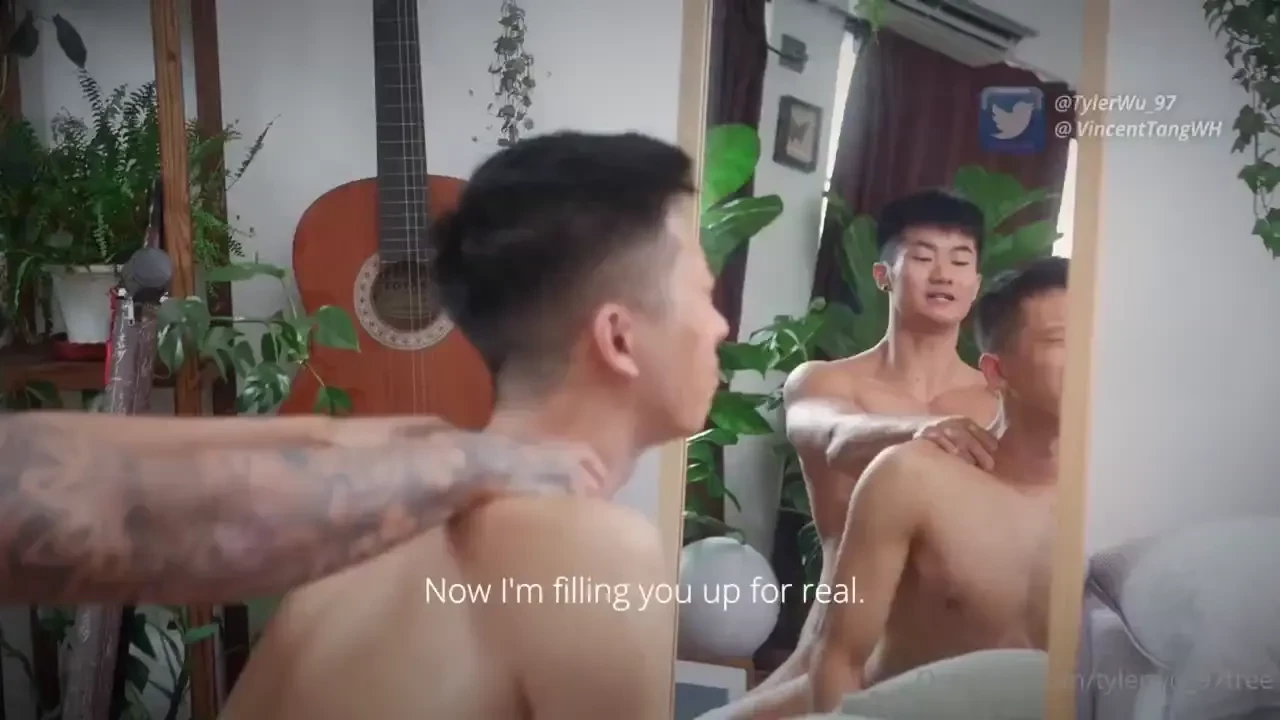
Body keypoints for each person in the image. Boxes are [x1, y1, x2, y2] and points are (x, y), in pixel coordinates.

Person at [221, 132, 729, 719]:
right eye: (705, 293)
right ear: (618, 338)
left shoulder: (354, 553)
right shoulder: (596, 550)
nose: (720, 325)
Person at [743, 190, 1002, 704]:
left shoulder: (999, 401)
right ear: (883, 275)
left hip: (950, 662)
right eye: (923, 257)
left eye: (960, 261)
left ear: (976, 284)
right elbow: (836, 436)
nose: (944, 274)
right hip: (834, 650)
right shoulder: (823, 382)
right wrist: (921, 431)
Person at [0, 411, 601, 603]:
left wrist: (326, 435)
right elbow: (96, 513)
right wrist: (466, 467)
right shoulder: (614, 550)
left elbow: (22, 444)